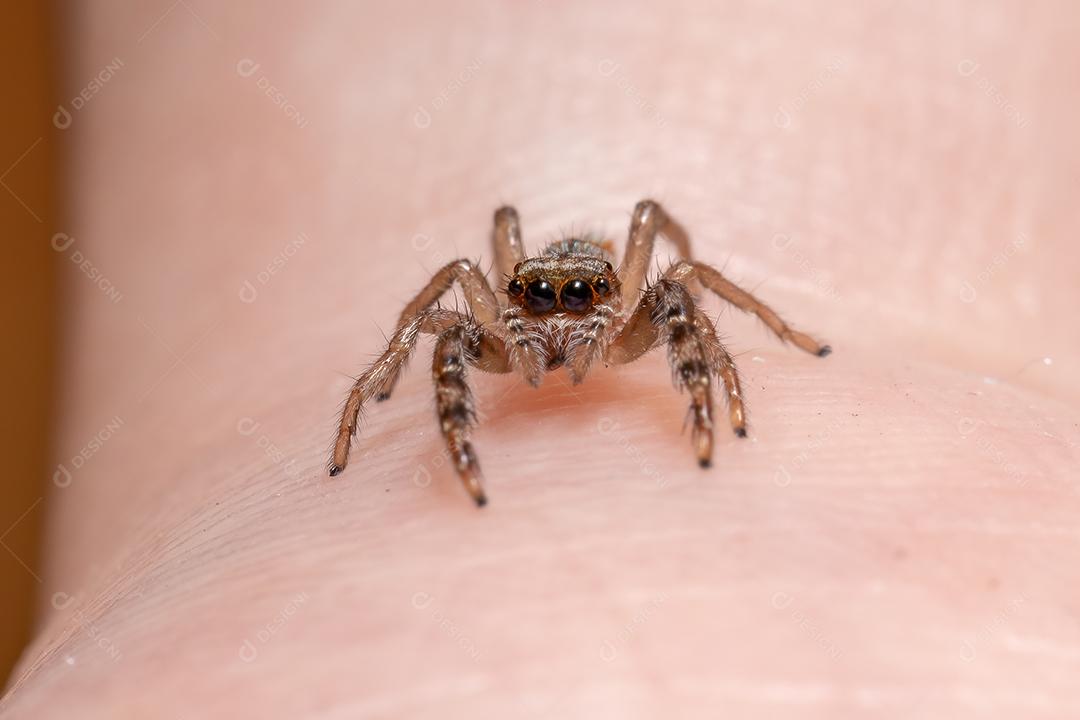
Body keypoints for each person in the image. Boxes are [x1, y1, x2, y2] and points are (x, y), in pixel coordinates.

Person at [5, 2, 1078, 717]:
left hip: (643, 291)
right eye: (540, 307)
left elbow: (686, 297)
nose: (560, 332)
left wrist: (745, 378)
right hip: (501, 295)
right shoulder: (499, 316)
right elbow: (435, 316)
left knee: (690, 300)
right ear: (518, 294)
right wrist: (372, 388)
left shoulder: (625, 310)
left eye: (577, 308)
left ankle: (756, 363)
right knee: (438, 337)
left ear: (602, 298)